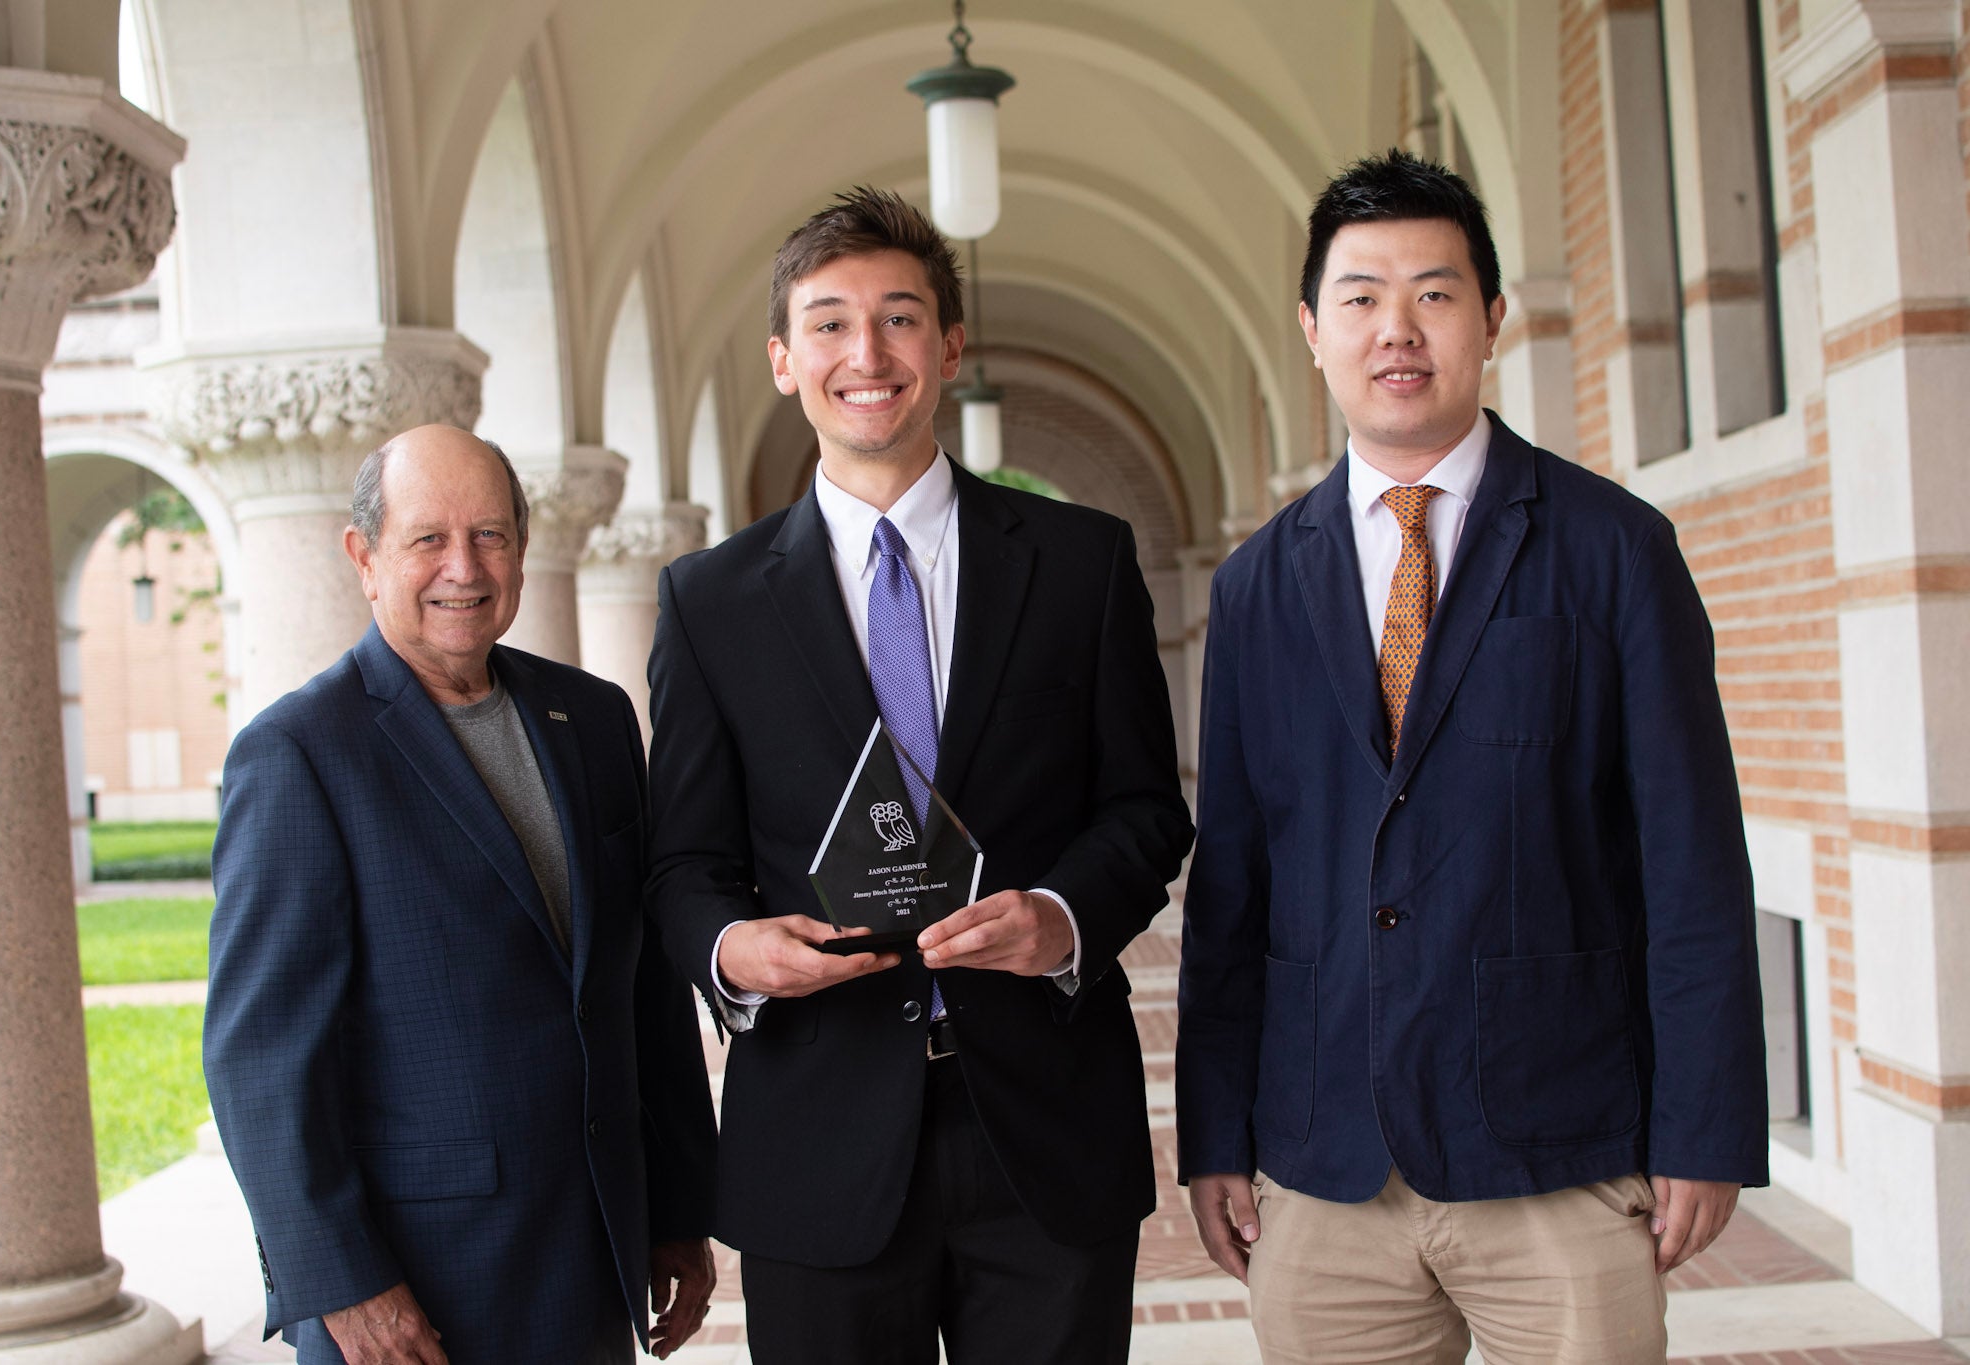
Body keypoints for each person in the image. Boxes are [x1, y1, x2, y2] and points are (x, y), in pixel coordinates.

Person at [1177, 150, 1768, 1363]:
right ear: (1310, 328)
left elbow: (1689, 860)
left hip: (1558, 1145)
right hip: (1322, 1161)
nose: (1396, 329)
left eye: (1434, 293)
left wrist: (1702, 1128)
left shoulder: (1613, 550)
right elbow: (1230, 887)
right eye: (1359, 298)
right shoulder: (1252, 589)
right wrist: (1211, 1137)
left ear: (1491, 319)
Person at [644, 186, 1193, 1365]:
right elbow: (684, 862)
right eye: (830, 323)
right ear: (786, 361)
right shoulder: (709, 603)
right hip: (817, 1137)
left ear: (948, 345)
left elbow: (1145, 811)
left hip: (1044, 1129)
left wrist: (1059, 918)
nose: (866, 353)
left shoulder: (1080, 562)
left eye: (899, 318)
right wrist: (734, 952)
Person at [203, 424, 718, 1365]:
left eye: (490, 535)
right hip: (414, 1291)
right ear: (364, 557)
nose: (464, 567)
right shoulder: (300, 755)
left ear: (523, 551)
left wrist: (677, 1205)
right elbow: (262, 1061)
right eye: (426, 539)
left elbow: (640, 989)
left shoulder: (596, 720)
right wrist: (344, 1281)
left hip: (589, 1252)